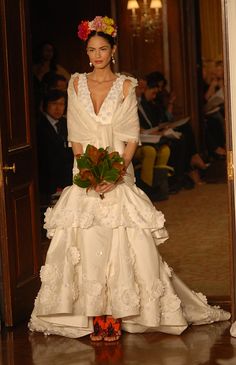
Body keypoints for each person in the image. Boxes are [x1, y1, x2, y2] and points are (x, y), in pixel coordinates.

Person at [29, 16, 230, 342]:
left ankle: (123, 315)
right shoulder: (76, 83)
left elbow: (131, 138)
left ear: (113, 51)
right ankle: (95, 319)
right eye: (91, 49)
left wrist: (113, 174)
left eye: (102, 49)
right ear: (87, 51)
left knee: (123, 243)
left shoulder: (125, 85)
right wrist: (89, 173)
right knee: (88, 242)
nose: (96, 55)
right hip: (86, 172)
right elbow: (76, 135)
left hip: (117, 169)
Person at [36, 89, 73, 205]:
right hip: (47, 182)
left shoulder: (66, 123)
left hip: (66, 179)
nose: (58, 108)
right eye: (54, 104)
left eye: (61, 104)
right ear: (45, 105)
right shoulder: (38, 125)